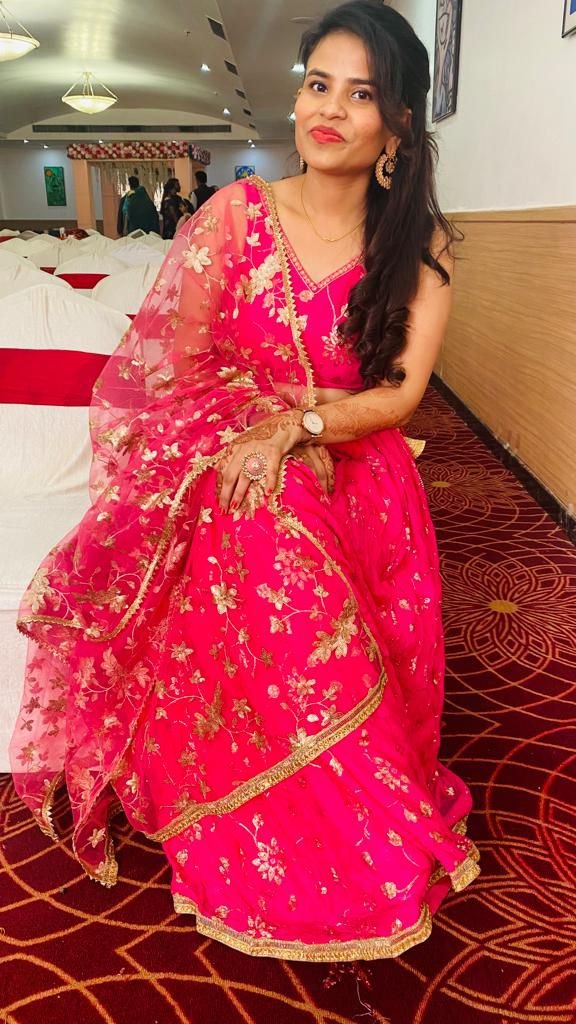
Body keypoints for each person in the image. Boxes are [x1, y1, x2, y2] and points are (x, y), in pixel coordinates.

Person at [10, 0, 479, 962]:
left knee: (289, 502)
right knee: (260, 510)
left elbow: (398, 396)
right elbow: (182, 369)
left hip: (360, 467)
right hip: (227, 446)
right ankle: (252, 815)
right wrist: (265, 432)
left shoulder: (417, 254)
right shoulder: (234, 216)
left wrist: (303, 426)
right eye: (318, 85)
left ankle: (355, 821)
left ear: (398, 125)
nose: (330, 110)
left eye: (361, 95)